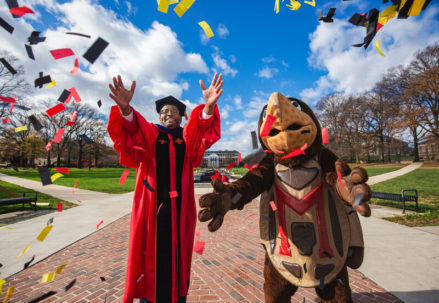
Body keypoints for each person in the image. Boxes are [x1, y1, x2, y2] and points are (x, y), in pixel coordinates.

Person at [107, 73, 223, 303]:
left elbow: (200, 129)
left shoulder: (186, 139)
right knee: (149, 255)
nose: (169, 114)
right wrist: (126, 111)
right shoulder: (150, 134)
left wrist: (208, 109)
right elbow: (131, 130)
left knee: (178, 258)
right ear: (159, 117)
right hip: (152, 211)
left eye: (174, 112)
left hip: (181, 213)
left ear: (182, 117)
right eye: (164, 112)